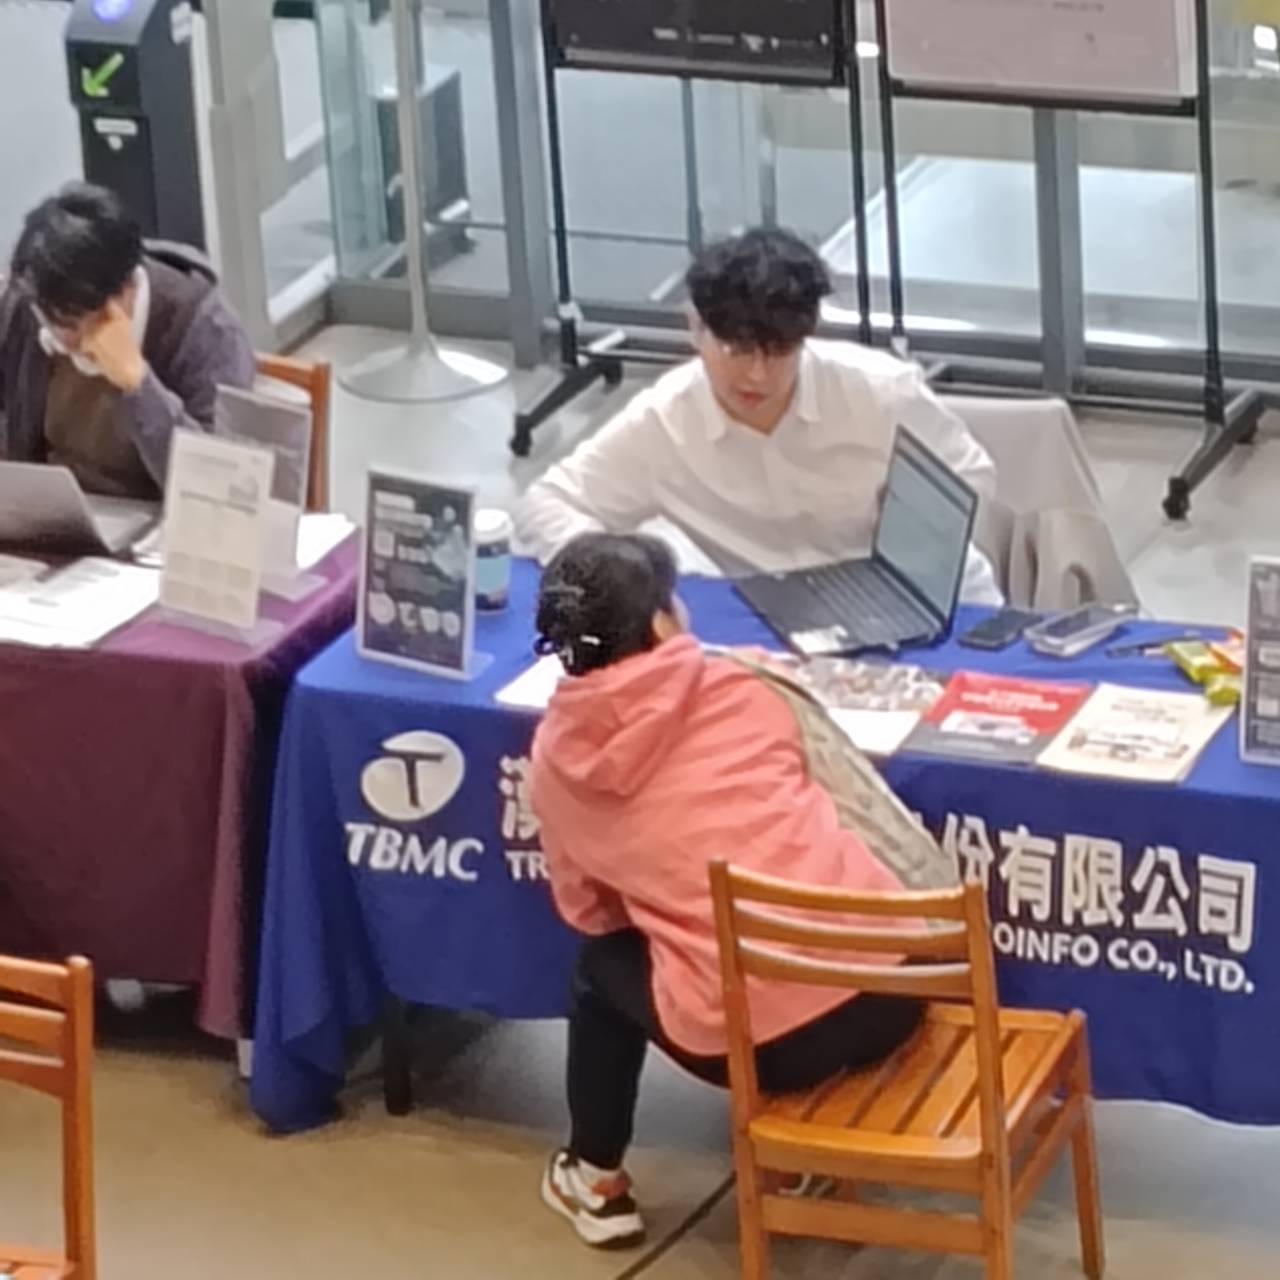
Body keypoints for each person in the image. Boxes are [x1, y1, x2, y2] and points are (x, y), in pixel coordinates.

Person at [530, 532, 926, 1248]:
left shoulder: (558, 762)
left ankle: (596, 1179)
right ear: (661, 623)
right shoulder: (746, 685)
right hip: (894, 985)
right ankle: (798, 1154)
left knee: (601, 969)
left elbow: (587, 911)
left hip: (768, 1046)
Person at [517, 226, 1002, 603]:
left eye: (778, 352)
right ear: (696, 328)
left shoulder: (881, 393)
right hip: (772, 625)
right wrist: (626, 580)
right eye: (736, 350)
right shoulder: (665, 420)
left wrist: (909, 545)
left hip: (923, 600)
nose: (757, 375)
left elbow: (970, 477)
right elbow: (547, 503)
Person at [0, 182, 255, 500]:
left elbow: (220, 490)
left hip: (155, 517)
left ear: (126, 290)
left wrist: (137, 383)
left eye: (79, 322)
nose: (67, 339)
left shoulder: (204, 328)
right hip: (49, 511)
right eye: (54, 322)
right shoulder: (30, 302)